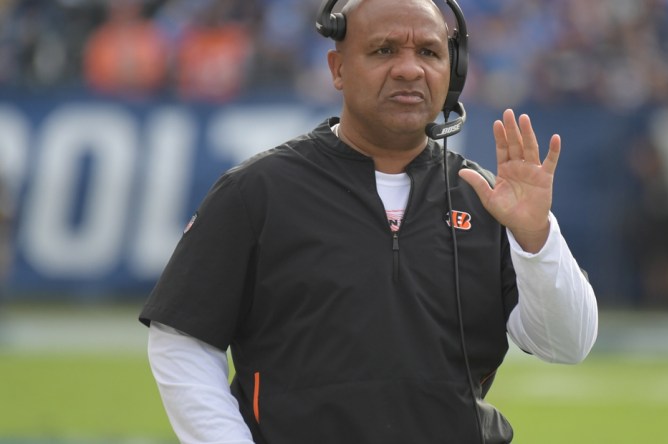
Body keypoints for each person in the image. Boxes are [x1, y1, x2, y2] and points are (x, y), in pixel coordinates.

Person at [140, 0, 598, 443]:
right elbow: (182, 340)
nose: (409, 69)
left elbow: (567, 344)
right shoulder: (257, 191)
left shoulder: (486, 199)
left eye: (429, 52)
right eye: (384, 50)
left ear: (454, 71)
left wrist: (535, 237)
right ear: (337, 68)